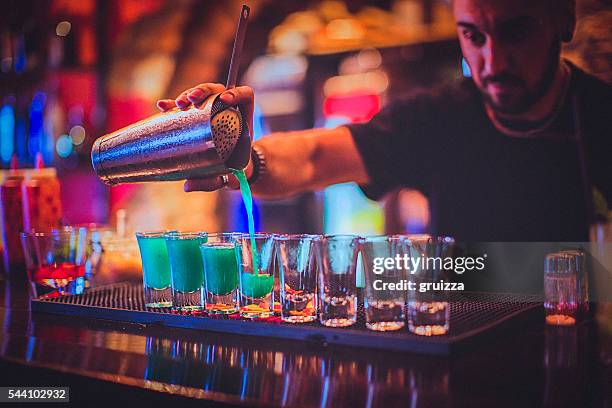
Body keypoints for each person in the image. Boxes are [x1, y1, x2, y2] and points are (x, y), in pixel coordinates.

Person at [157, 0, 611, 242]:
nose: (491, 61)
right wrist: (239, 155)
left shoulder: (600, 115)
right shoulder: (438, 116)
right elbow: (315, 158)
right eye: (473, 35)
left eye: (515, 31)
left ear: (563, 19)